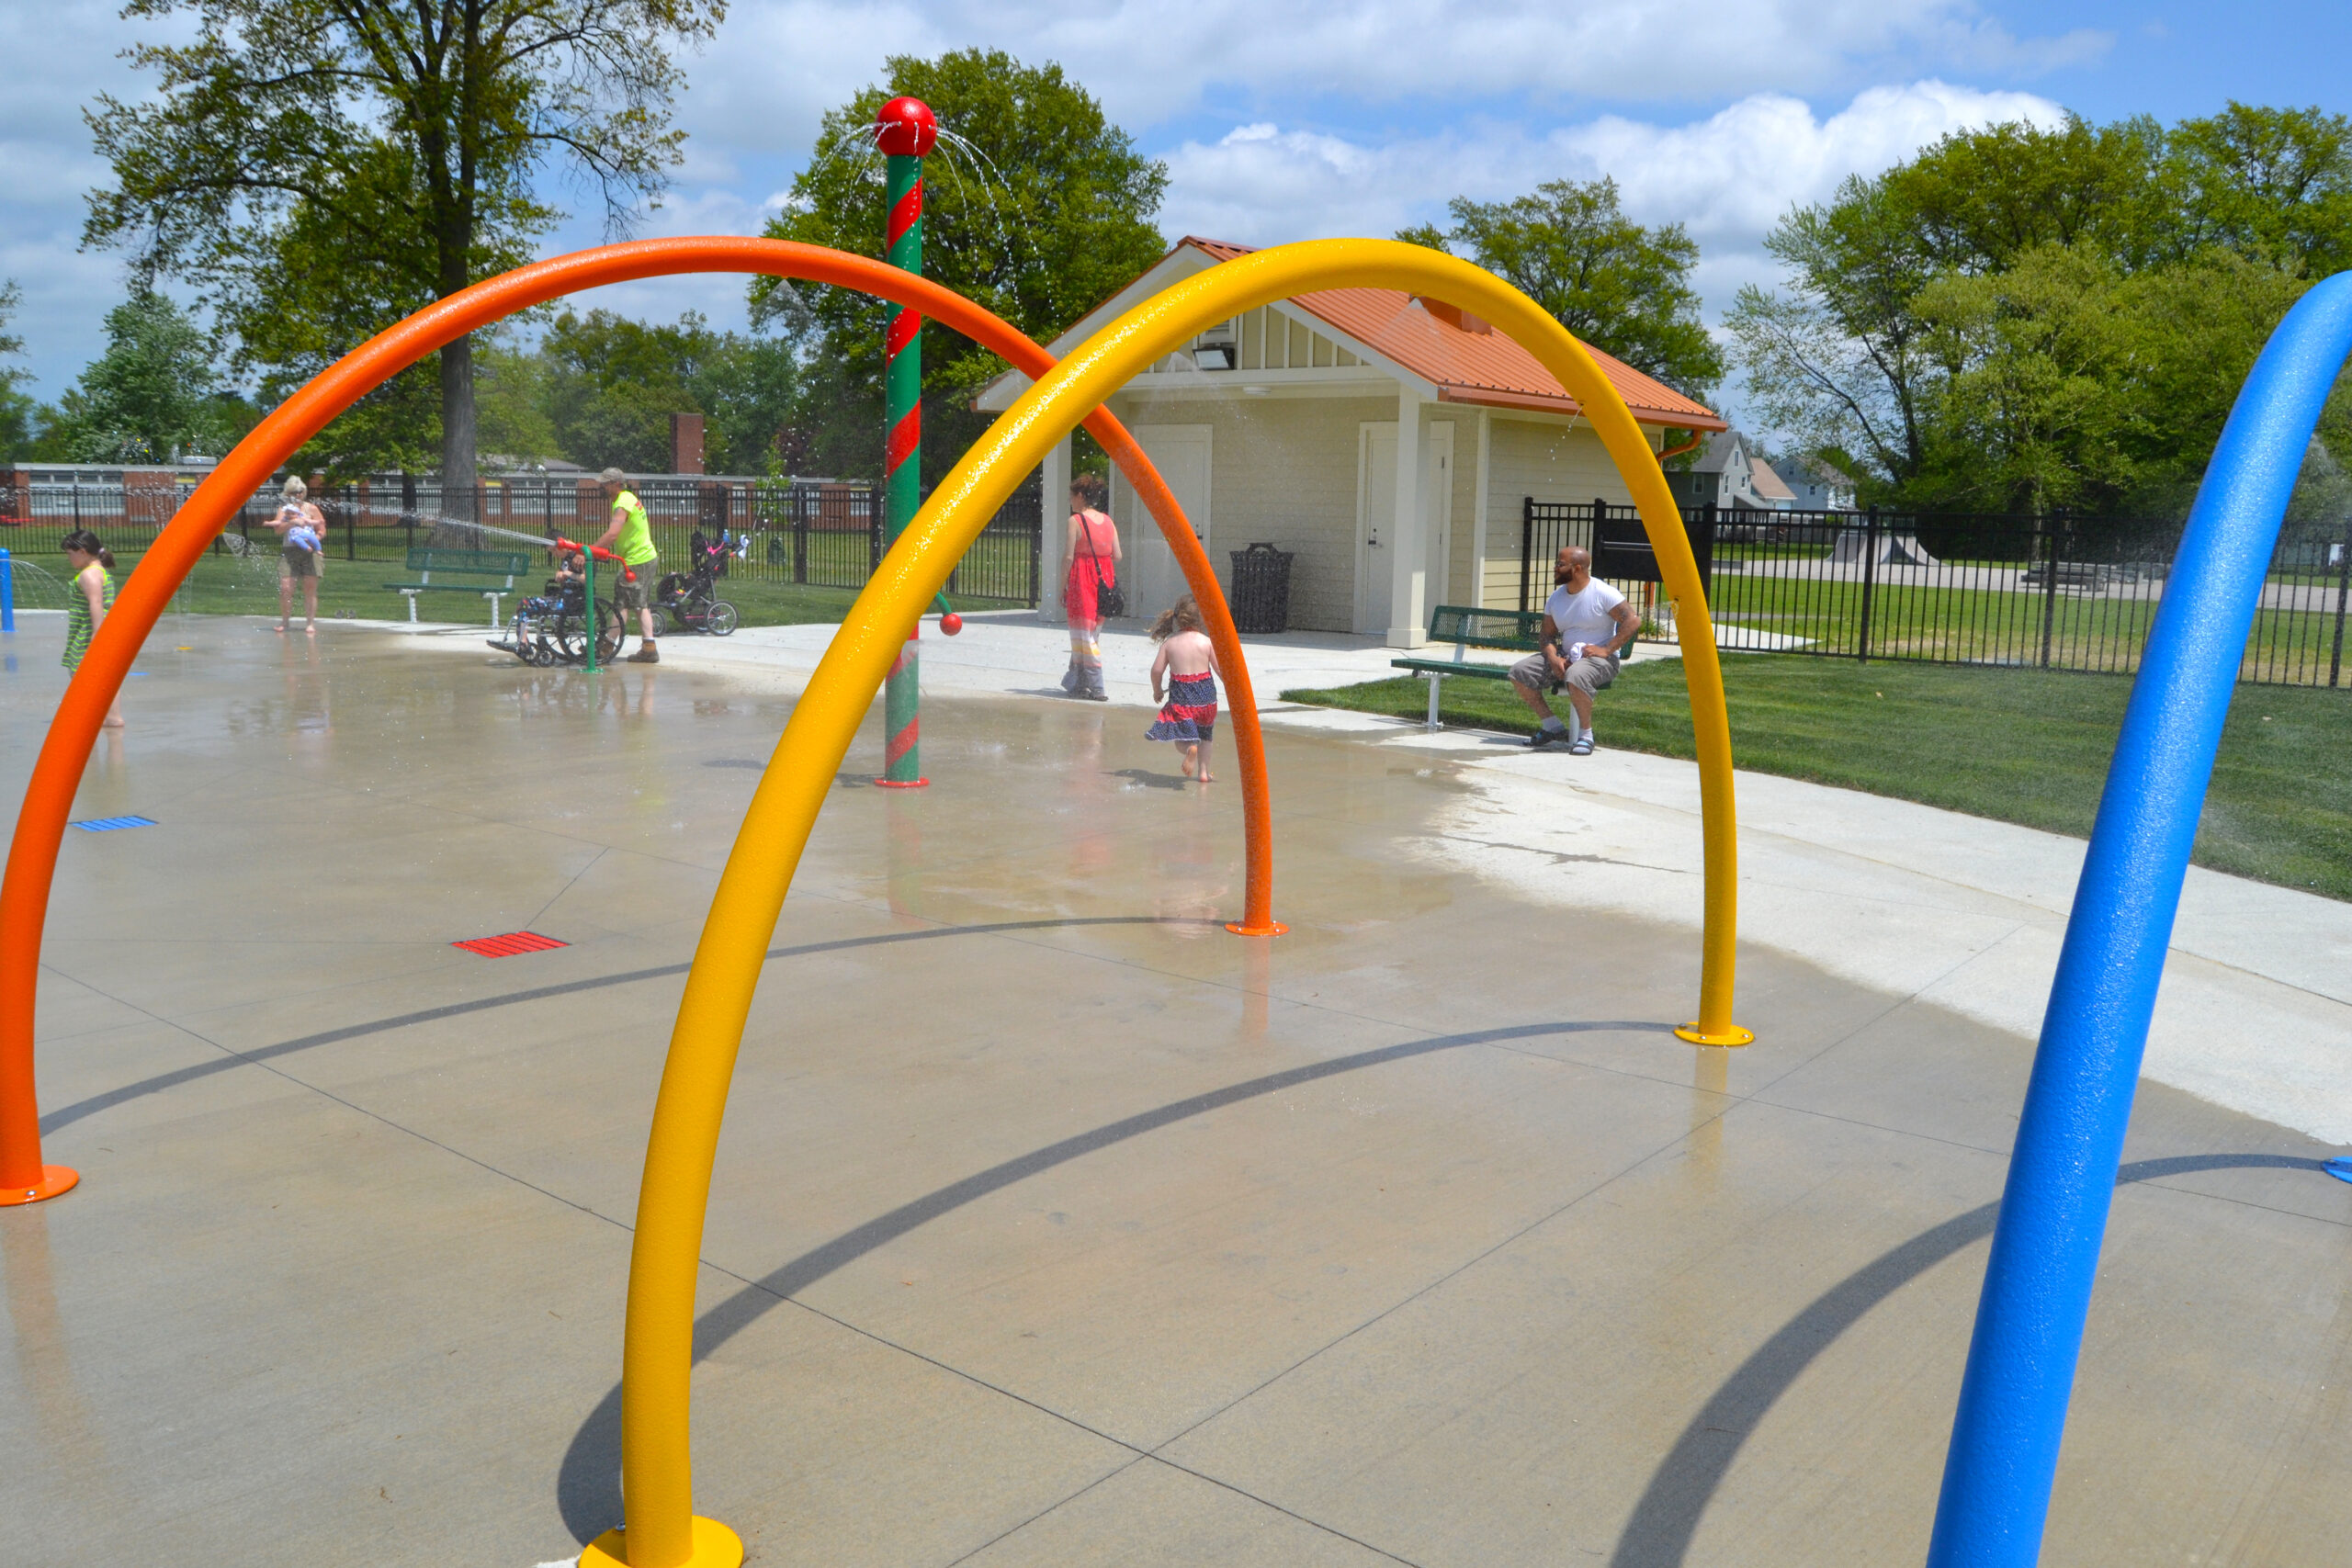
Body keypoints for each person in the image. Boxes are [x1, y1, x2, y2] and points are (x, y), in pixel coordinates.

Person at [1510, 545, 1637, 754]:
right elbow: (1546, 635)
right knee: (1519, 672)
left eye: (1560, 564)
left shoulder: (1602, 592)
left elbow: (1632, 620)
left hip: (1601, 661)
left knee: (1576, 674)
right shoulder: (1556, 597)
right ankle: (1552, 726)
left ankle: (1586, 736)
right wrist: (1553, 658)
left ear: (1577, 568)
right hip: (1566, 655)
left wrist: (1606, 650)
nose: (1555, 568)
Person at [1146, 595, 1223, 782]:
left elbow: (1156, 670)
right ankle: (1203, 773)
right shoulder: (1206, 642)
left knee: (1181, 736)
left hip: (1183, 700)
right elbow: (1221, 670)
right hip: (1207, 699)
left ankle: (1190, 749)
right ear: (1201, 619)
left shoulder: (1170, 643)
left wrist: (1157, 690)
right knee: (1206, 735)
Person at [593, 466, 661, 663]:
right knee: (640, 604)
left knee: (622, 603)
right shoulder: (628, 498)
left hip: (637, 560)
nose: (602, 487)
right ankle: (649, 648)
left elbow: (613, 534)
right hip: (644, 558)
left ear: (616, 484)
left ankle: (606, 647)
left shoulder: (623, 502)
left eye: (605, 484)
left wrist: (589, 550)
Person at [1061, 473, 1120, 700]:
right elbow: (1118, 555)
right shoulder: (1108, 521)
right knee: (1091, 634)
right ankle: (1078, 681)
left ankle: (1096, 686)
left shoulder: (1075, 521)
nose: (1069, 501)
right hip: (1105, 579)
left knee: (1083, 635)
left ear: (1079, 496)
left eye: (1071, 496)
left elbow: (1068, 557)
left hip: (1082, 579)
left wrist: (1063, 586)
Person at [60, 529, 125, 728]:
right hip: (99, 630)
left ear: (83, 552)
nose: (68, 558)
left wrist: (96, 635)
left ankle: (87, 717)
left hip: (88, 632)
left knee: (81, 674)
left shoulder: (89, 575)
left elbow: (96, 604)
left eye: (70, 554)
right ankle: (112, 717)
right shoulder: (100, 571)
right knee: (105, 676)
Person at [268, 476, 327, 634]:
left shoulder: (311, 509)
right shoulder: (284, 510)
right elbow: (278, 530)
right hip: (290, 551)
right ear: (288, 494)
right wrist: (292, 522)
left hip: (310, 552)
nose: (298, 495)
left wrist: (314, 539)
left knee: (310, 588)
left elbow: (322, 529)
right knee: (286, 588)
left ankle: (310, 623)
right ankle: (285, 621)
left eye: (300, 491)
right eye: (294, 492)